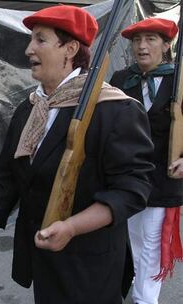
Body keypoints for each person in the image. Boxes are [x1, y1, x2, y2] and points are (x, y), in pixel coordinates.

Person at [0, 5, 155, 303]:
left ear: (70, 48)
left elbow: (132, 190)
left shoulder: (115, 110)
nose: (29, 49)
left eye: (40, 40)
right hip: (42, 256)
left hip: (90, 264)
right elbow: (9, 170)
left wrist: (71, 227)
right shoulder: (31, 108)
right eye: (31, 39)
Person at [110, 18, 183, 304]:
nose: (142, 46)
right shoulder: (119, 79)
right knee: (133, 241)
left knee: (151, 245)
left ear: (166, 46)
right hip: (126, 179)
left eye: (151, 39)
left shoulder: (180, 80)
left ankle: (144, 300)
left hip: (164, 180)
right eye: (137, 40)